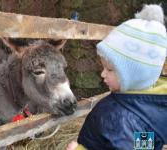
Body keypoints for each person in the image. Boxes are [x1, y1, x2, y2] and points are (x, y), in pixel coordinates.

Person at [67, 4, 167, 150]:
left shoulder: (122, 120)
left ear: (134, 77)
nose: (102, 74)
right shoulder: (146, 110)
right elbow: (143, 147)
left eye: (109, 69)